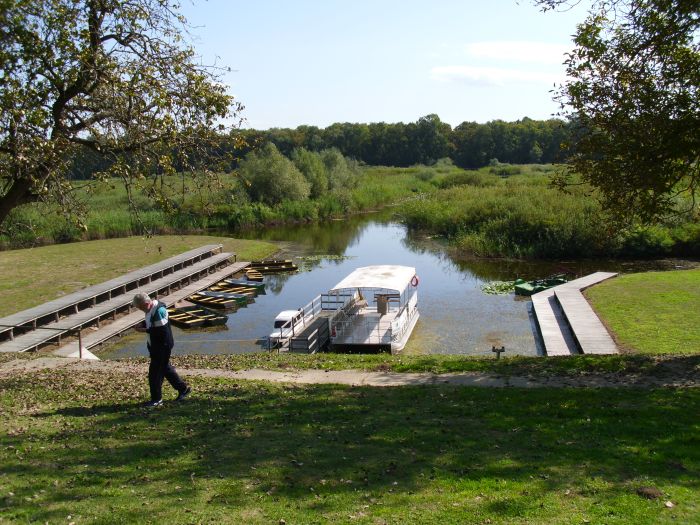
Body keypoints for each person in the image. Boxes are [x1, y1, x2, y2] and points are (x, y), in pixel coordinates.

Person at [133, 292, 191, 407]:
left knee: (155, 374)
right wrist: (143, 323)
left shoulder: (159, 311)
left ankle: (157, 399)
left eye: (140, 307)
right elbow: (151, 322)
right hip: (156, 346)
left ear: (146, 303)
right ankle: (183, 389)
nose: (140, 310)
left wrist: (144, 330)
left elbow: (161, 331)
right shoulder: (150, 309)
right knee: (165, 369)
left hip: (162, 346)